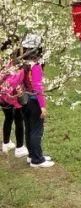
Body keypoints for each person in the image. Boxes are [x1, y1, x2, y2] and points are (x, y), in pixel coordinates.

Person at [19, 34, 53, 169]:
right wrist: (43, 106)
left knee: (29, 128)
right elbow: (38, 86)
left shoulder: (21, 63)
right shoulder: (36, 66)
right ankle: (37, 160)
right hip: (34, 101)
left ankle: (32, 155)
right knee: (36, 130)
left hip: (24, 100)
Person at [0, 38, 25, 157]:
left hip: (2, 97)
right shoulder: (13, 63)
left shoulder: (2, 61)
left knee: (8, 118)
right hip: (12, 97)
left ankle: (6, 143)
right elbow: (14, 81)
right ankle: (20, 147)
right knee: (19, 120)